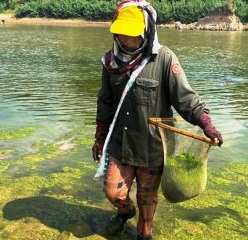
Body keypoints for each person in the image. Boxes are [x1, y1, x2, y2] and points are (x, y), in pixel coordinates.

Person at [92, 1, 223, 239]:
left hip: (153, 147)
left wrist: (206, 124)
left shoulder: (163, 58)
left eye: (132, 36)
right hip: (121, 144)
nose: (126, 40)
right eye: (121, 34)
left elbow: (185, 98)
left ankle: (145, 234)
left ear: (146, 31)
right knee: (113, 192)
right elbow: (105, 102)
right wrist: (100, 137)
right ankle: (124, 212)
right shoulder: (110, 62)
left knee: (147, 197)